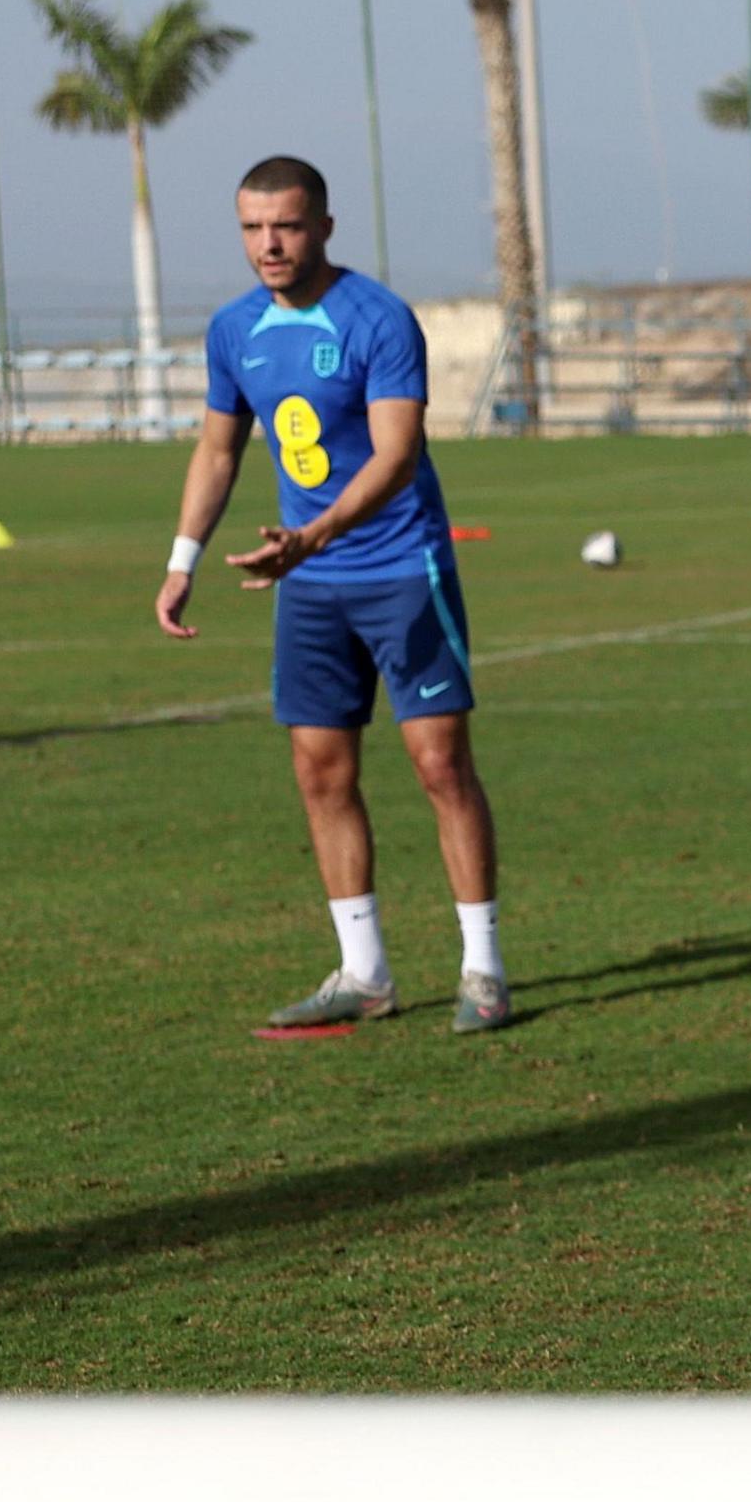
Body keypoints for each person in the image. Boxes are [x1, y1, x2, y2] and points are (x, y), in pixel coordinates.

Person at [158, 157, 509, 1032]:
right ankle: (365, 973)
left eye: (285, 224)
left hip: (398, 567)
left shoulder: (376, 319)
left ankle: (484, 970)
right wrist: (182, 557)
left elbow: (396, 455)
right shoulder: (233, 329)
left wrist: (316, 534)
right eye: (252, 227)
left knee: (439, 763)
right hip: (308, 585)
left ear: (323, 226)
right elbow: (218, 451)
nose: (268, 244)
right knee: (321, 770)